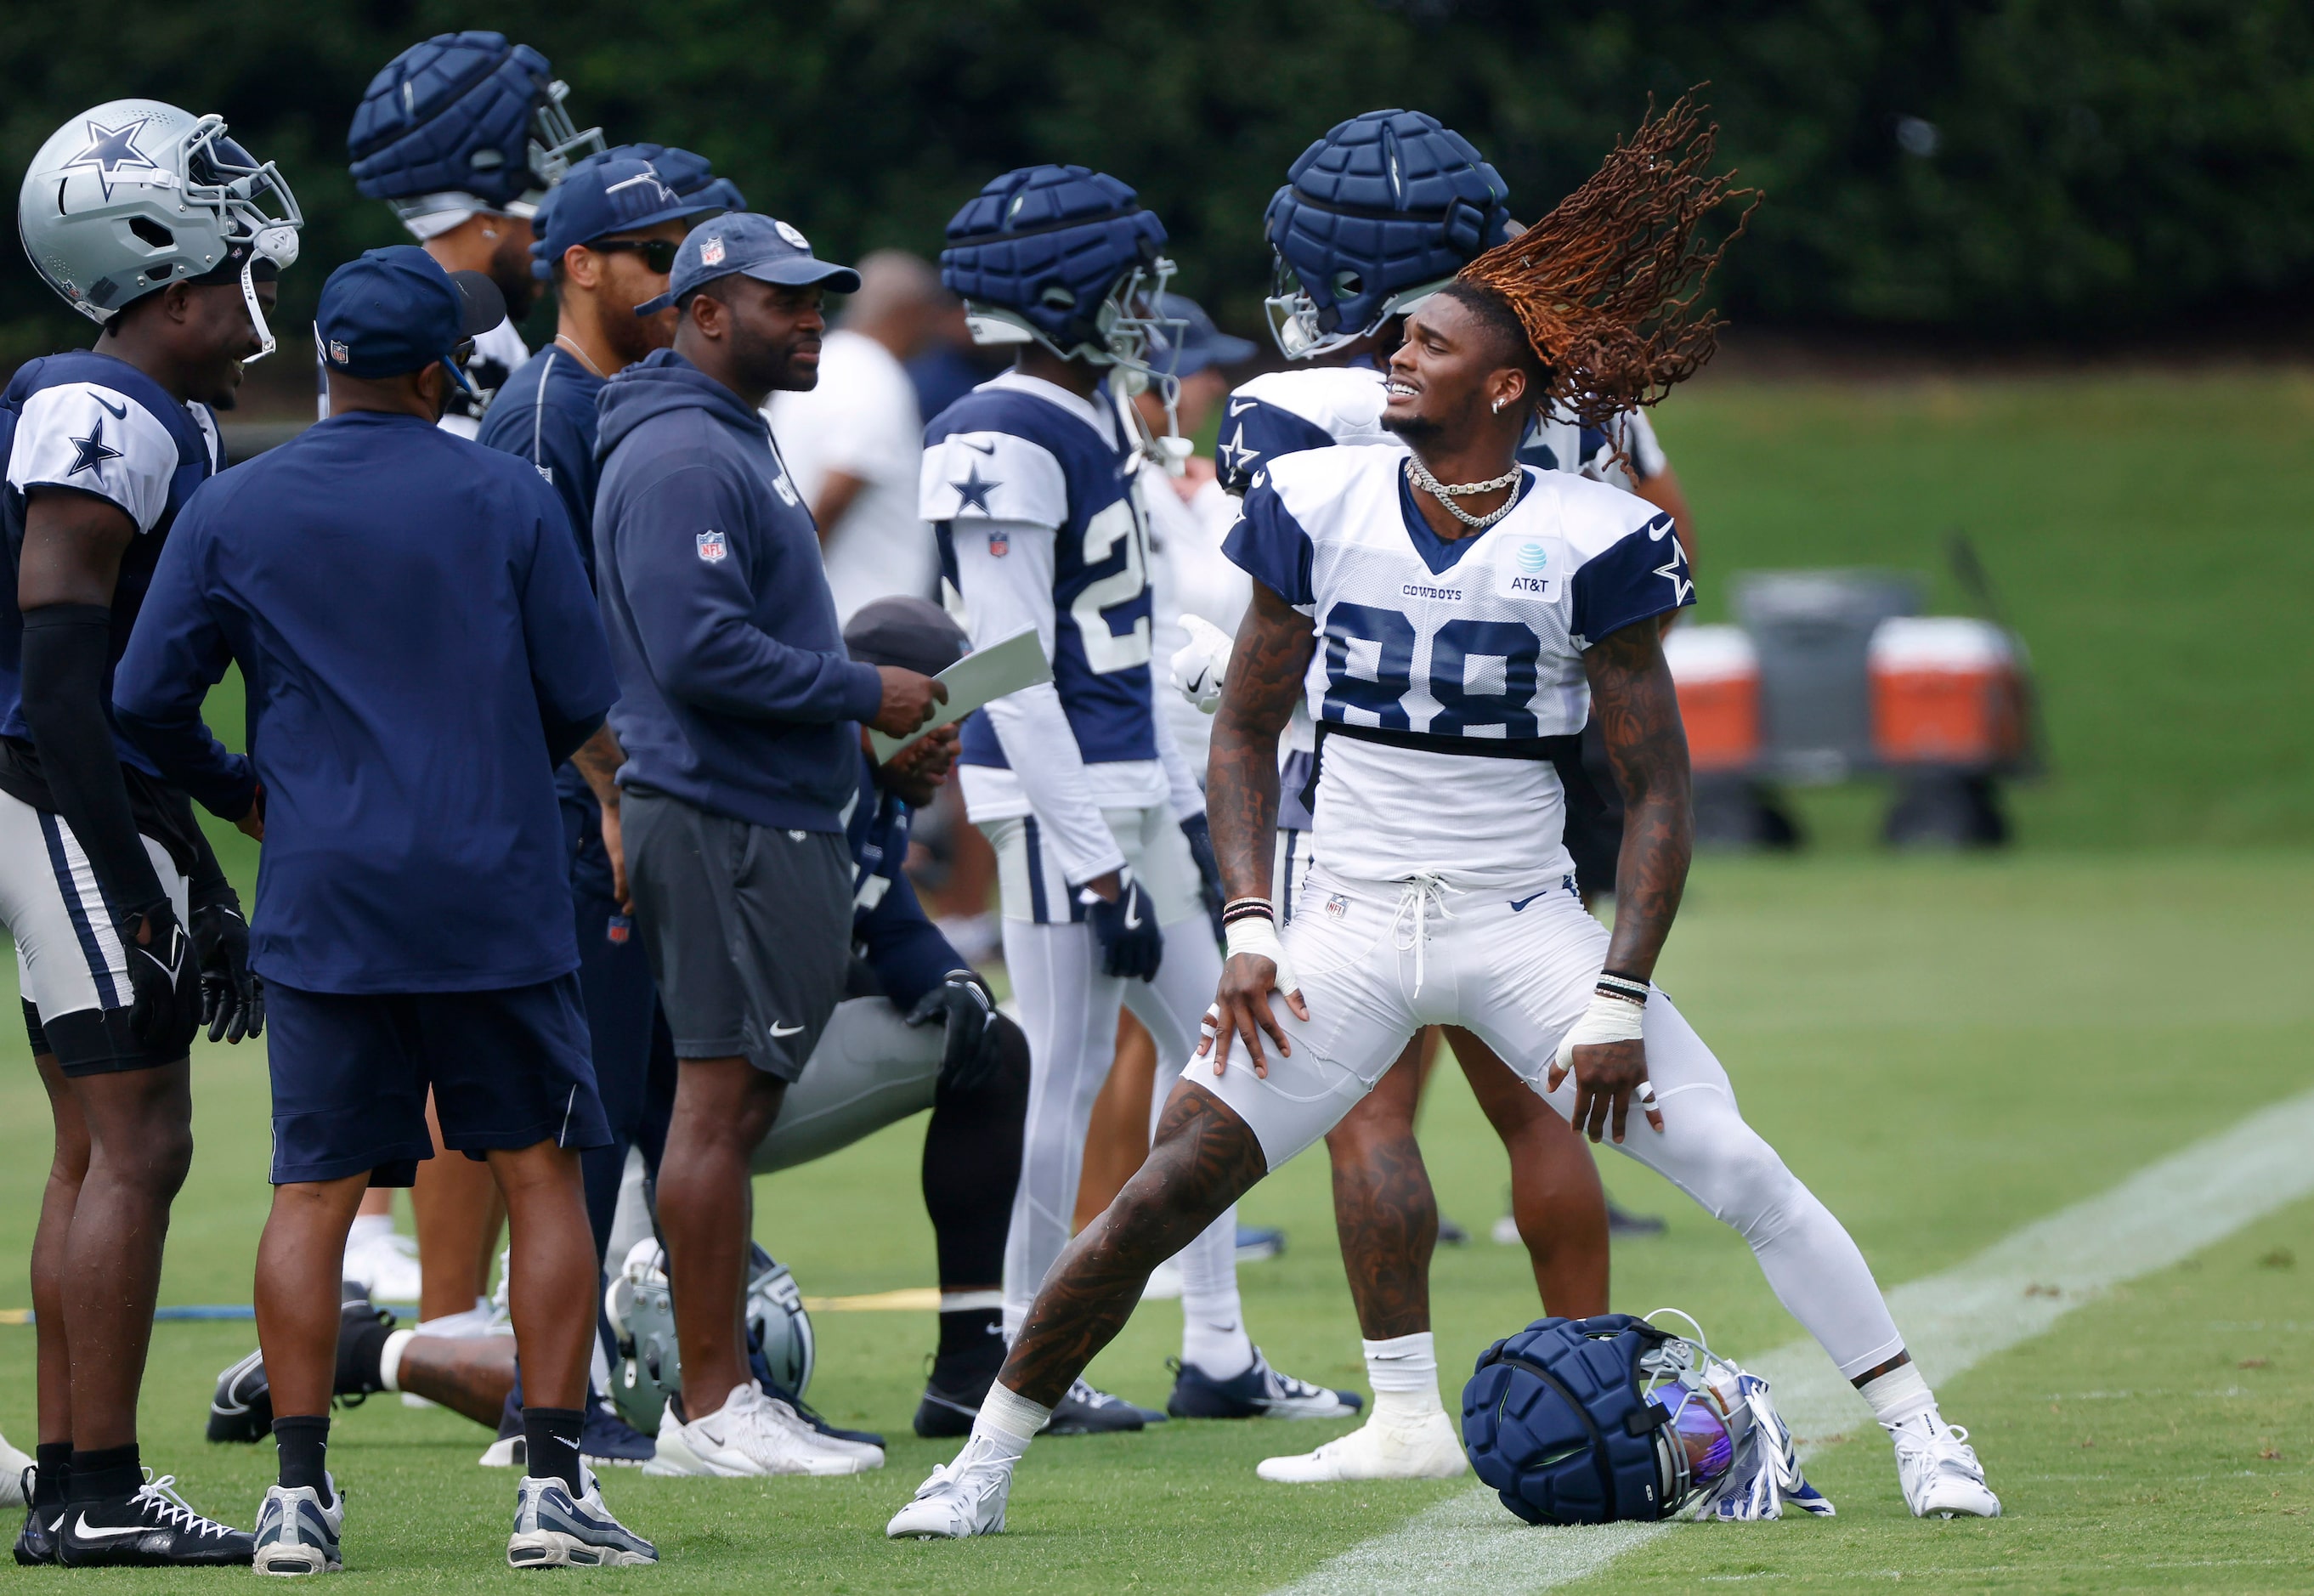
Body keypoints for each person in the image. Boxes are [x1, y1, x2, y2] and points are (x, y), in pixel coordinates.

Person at [887, 99, 2000, 1540]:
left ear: (1499, 387)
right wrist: (1246, 926)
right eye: (1398, 335)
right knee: (1163, 1186)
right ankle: (976, 1462)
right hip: (1342, 924)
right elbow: (1239, 728)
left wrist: (1615, 988)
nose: (1388, 355)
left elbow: (1658, 786)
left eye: (1427, 345)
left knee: (1735, 1162)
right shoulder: (1317, 491)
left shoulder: (1588, 533)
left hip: (1517, 921)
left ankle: (1922, 1429)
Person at [113, 246, 656, 1573]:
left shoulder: (238, 503)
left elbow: (140, 705)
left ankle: (297, 1497)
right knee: (539, 1177)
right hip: (491, 886)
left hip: (325, 891)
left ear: (322, 365)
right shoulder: (508, 495)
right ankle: (551, 1489)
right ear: (438, 374)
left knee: (311, 1189)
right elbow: (582, 702)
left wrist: (247, 793)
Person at [1174, 108, 1630, 1484]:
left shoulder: (1281, 408)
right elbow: (1651, 561)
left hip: (1357, 792)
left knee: (1369, 1111)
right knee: (1535, 1102)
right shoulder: (1570, 393)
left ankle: (1407, 1411)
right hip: (1518, 787)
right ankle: (1598, 1373)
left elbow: (1263, 613)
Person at [924, 164, 1354, 1433]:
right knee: (1057, 1073)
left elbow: (1121, 635)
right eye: (1120, 281)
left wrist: (1172, 803)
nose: (1141, 305)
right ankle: (1008, 1367)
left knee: (1225, 1058)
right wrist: (1092, 858)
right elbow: (1001, 669)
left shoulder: (1090, 412)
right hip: (1068, 807)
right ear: (1052, 291)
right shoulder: (993, 431)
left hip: (1127, 791)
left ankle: (1213, 1349)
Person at [591, 212, 943, 1476]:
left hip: (758, 809)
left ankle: (719, 1393)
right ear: (699, 314)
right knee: (716, 1104)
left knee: (725, 1105)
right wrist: (867, 691)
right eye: (781, 301)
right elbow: (696, 652)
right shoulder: (685, 449)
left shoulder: (727, 435)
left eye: (819, 300)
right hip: (724, 811)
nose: (810, 320)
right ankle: (710, 1402)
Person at [3, 98, 291, 1568]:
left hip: (72, 788)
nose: (257, 292)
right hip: (43, 788)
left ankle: (71, 1481)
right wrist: (129, 875)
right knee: (135, 1139)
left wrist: (203, 827)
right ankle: (96, 1484)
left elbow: (123, 687)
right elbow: (59, 669)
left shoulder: (157, 413)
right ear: (167, 283)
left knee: (106, 1143)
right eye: (234, 268)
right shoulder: (98, 407)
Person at [469, 152, 725, 1469]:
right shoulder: (543, 412)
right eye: (652, 253)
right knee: (590, 1114)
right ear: (576, 263)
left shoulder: (645, 392)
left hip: (658, 799)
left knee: (668, 1096)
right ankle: (542, 1411)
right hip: (582, 815)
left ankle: (699, 1392)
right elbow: (534, 643)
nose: (680, 277)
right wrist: (613, 799)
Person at [730, 596, 1030, 1438]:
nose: (953, 743)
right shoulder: (798, 779)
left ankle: (972, 1365)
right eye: (933, 718)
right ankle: (367, 1353)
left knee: (988, 1046)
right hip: (667, 1117)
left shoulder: (869, 783)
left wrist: (949, 981)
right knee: (598, 1357)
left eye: (961, 720)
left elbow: (887, 914)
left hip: (745, 1083)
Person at [347, 30, 604, 439]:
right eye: (543, 164)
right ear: (490, 206)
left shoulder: (388, 307)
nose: (557, 186)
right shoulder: (449, 328)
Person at [767, 250, 951, 621]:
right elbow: (839, 487)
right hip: (860, 623)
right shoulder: (872, 378)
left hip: (825, 617)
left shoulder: (820, 365)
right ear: (911, 313)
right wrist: (788, 592)